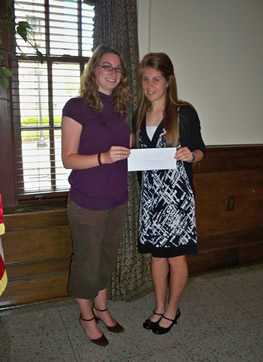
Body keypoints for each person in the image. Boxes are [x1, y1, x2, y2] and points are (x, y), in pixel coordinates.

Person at [61, 44, 132, 346]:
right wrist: (102, 157)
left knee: (105, 259)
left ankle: (101, 308)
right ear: (94, 70)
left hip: (117, 198)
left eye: (117, 68)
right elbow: (68, 158)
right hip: (87, 200)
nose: (113, 72)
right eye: (107, 66)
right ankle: (86, 316)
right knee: (87, 263)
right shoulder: (76, 107)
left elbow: (126, 147)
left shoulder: (122, 107)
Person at [133, 52, 206, 335]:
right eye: (145, 79)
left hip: (176, 199)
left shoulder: (183, 113)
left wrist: (192, 155)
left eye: (156, 79)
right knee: (156, 256)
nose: (150, 85)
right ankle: (159, 305)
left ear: (167, 81)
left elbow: (201, 149)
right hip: (151, 198)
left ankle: (172, 309)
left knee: (176, 257)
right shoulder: (139, 113)